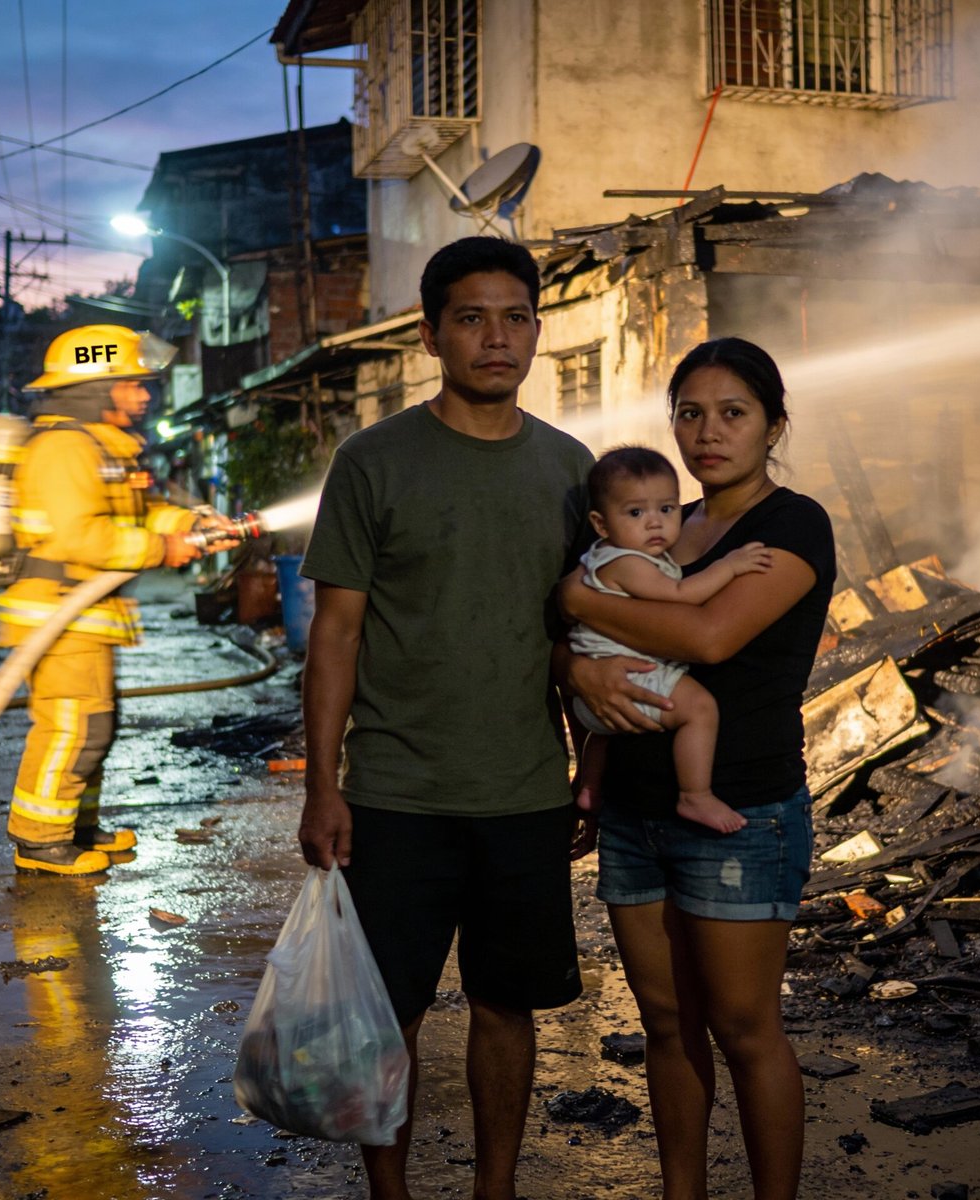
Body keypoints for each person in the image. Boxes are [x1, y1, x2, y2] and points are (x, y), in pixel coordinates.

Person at [296, 236, 595, 1200]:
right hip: (395, 793)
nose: (496, 338)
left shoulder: (571, 468)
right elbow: (334, 636)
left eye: (515, 318)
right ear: (431, 335)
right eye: (471, 318)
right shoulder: (373, 461)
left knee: (509, 1007)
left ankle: (494, 1190)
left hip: (520, 790)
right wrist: (321, 785)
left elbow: (578, 634)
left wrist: (588, 763)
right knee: (391, 1015)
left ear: (537, 333)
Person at [561, 338, 835, 1200]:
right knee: (667, 1026)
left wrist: (574, 600)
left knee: (746, 1028)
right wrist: (577, 665)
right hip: (637, 812)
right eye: (689, 412)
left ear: (773, 424)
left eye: (733, 413)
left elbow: (710, 637)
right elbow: (583, 647)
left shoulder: (792, 526)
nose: (707, 432)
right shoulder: (666, 523)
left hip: (743, 810)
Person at [0, 324, 233, 876]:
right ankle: (39, 840)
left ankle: (74, 826)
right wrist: (163, 547)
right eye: (132, 383)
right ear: (96, 386)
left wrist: (196, 524)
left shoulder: (101, 449)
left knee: (95, 723)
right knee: (73, 727)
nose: (145, 394)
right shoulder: (63, 450)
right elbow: (77, 536)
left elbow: (140, 512)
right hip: (58, 612)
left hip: (83, 613)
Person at [568, 445, 772, 834]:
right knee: (700, 709)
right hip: (626, 677)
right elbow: (682, 596)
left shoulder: (607, 555)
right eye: (635, 513)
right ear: (600, 523)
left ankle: (590, 788)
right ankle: (695, 794)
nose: (655, 523)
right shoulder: (627, 563)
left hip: (598, 694)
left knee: (606, 734)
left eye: (667, 509)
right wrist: (729, 566)